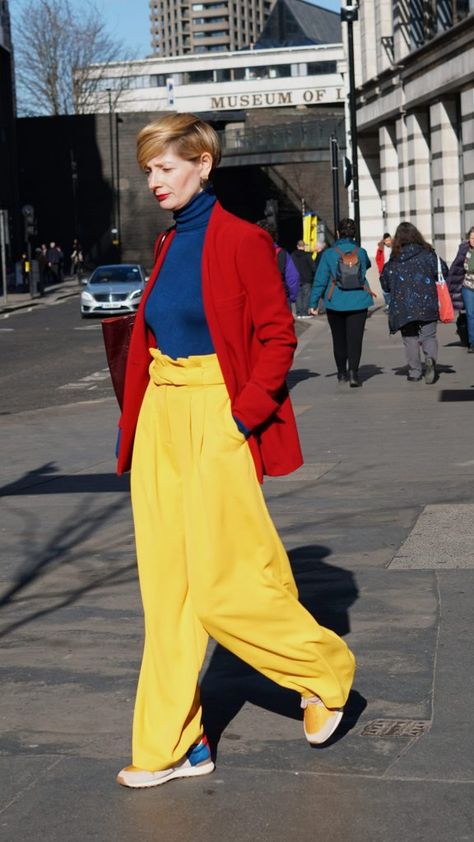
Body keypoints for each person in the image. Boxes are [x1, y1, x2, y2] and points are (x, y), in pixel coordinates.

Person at [114, 113, 355, 789]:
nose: (154, 181)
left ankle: (323, 676)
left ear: (202, 163)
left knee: (224, 583)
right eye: (149, 171)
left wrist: (240, 416)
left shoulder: (242, 240)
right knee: (167, 590)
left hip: (216, 413)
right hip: (163, 415)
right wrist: (138, 423)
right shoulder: (166, 246)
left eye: (164, 167)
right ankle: (177, 742)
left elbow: (278, 336)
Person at [309, 218, 375, 387]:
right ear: (354, 234)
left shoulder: (329, 254)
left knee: (338, 339)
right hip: (358, 301)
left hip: (335, 301)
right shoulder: (360, 252)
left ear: (338, 233)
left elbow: (320, 279)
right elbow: (365, 266)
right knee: (355, 339)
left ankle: (341, 373)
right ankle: (353, 373)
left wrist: (313, 302)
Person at [380, 221, 448, 383]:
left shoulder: (394, 260)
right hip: (427, 302)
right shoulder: (428, 254)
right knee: (429, 336)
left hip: (404, 307)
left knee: (410, 338)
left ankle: (415, 372)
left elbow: (385, 284)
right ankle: (430, 359)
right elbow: (443, 271)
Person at [257, 219, 299, 308]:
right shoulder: (282, 254)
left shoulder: (250, 253)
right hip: (280, 298)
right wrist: (292, 297)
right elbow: (293, 278)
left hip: (258, 299)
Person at [447, 226, 474, 352]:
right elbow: (455, 268)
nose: (473, 240)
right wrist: (448, 285)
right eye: (472, 237)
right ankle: (472, 343)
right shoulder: (464, 250)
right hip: (467, 286)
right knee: (470, 314)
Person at [291, 240, 315, 318]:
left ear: (297, 246)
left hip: (296, 278)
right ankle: (304, 313)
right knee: (306, 296)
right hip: (306, 278)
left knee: (298, 295)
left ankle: (298, 313)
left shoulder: (293, 255)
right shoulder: (308, 255)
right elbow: (313, 267)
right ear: (304, 246)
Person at [375, 233, 392, 311]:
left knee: (392, 287)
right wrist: (380, 268)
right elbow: (377, 258)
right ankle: (388, 303)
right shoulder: (381, 248)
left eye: (389, 239)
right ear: (384, 241)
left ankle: (391, 304)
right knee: (384, 289)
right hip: (383, 271)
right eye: (386, 240)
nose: (388, 241)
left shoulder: (394, 247)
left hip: (392, 270)